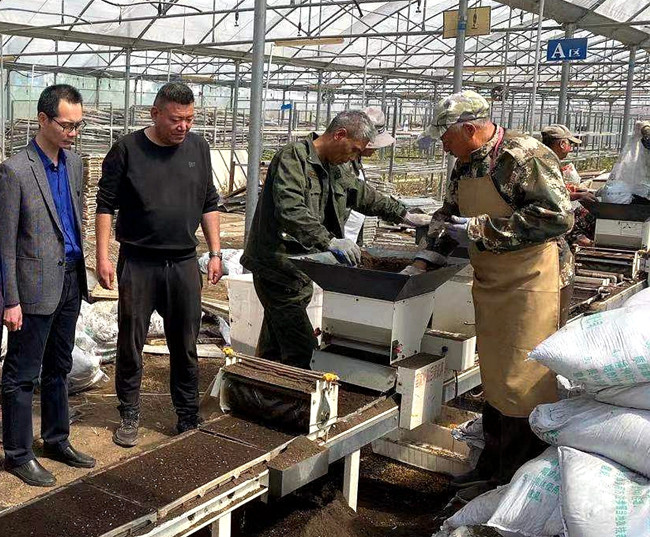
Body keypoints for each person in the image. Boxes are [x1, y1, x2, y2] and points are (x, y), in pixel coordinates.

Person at [405, 91, 574, 495]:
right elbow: (448, 214)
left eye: (445, 136)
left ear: (468, 129)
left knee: (526, 379)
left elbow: (558, 218)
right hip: (494, 279)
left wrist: (482, 230)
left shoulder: (523, 156)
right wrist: (424, 259)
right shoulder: (465, 163)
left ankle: (517, 478)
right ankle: (493, 465)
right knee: (496, 376)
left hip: (534, 281)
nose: (442, 145)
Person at [241, 110, 427, 369]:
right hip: (277, 267)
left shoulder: (334, 167)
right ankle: (300, 389)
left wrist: (404, 215)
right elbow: (291, 210)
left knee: (277, 338)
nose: (354, 157)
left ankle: (256, 382)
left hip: (301, 271)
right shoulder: (293, 158)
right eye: (355, 150)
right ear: (339, 135)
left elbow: (363, 195)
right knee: (302, 349)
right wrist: (329, 241)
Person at [96, 82, 223, 448]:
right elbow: (105, 205)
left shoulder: (198, 148)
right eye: (175, 119)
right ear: (155, 114)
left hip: (183, 262)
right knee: (131, 341)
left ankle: (187, 413)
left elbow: (209, 202)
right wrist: (103, 257)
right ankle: (129, 412)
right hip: (139, 261)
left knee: (185, 342)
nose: (183, 126)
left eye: (190, 119)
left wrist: (215, 252)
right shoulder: (127, 150)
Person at [0, 84, 94, 487]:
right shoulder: (15, 170)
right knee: (22, 373)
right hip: (34, 287)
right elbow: (5, 243)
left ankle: (56, 439)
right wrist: (10, 299)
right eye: (66, 125)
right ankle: (18, 454)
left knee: (59, 365)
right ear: (43, 119)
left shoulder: (73, 164)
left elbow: (73, 217)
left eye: (78, 125)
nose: (73, 133)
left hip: (70, 278)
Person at [343, 106, 406, 242]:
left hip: (351, 236)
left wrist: (402, 213)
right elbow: (358, 194)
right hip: (339, 237)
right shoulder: (341, 162)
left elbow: (362, 195)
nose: (376, 149)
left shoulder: (355, 160)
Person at [542, 124, 596, 246]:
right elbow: (550, 194)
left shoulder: (546, 159)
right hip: (546, 215)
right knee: (583, 216)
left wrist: (575, 192)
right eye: (569, 144)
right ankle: (576, 240)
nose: (570, 148)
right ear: (562, 144)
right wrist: (578, 196)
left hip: (544, 211)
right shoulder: (547, 164)